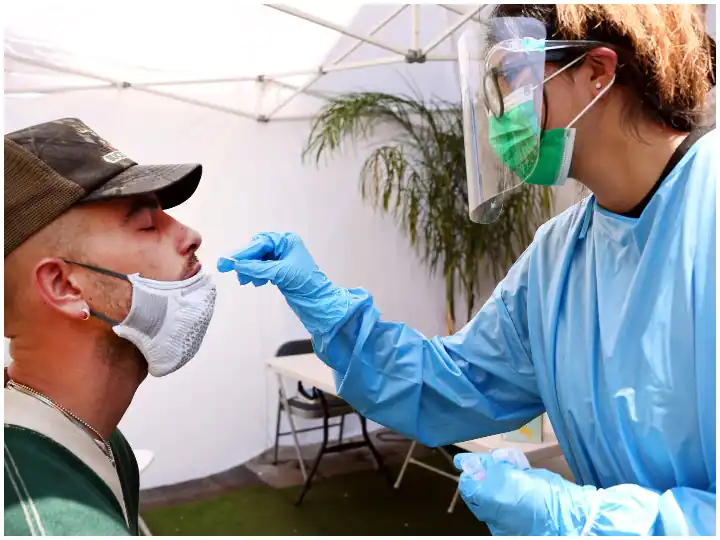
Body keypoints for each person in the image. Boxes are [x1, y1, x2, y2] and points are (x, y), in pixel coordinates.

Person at [218, 4, 716, 536]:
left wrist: (585, 521)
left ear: (597, 71)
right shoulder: (559, 255)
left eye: (515, 78)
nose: (501, 111)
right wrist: (331, 312)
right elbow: (456, 386)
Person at [4, 118, 217, 535]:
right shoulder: (44, 515)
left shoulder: (99, 437)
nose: (191, 235)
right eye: (147, 225)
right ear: (65, 286)